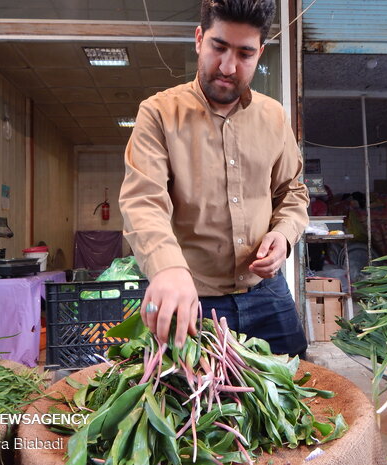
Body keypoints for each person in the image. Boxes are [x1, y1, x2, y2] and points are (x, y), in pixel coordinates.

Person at [119, 0, 309, 357]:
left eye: (244, 53)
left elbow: (292, 193)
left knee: (298, 395)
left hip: (268, 294)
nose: (227, 66)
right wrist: (167, 268)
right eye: (218, 47)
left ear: (259, 54)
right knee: (196, 407)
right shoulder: (159, 113)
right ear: (198, 39)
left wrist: (283, 236)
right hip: (193, 298)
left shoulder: (274, 118)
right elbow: (143, 200)